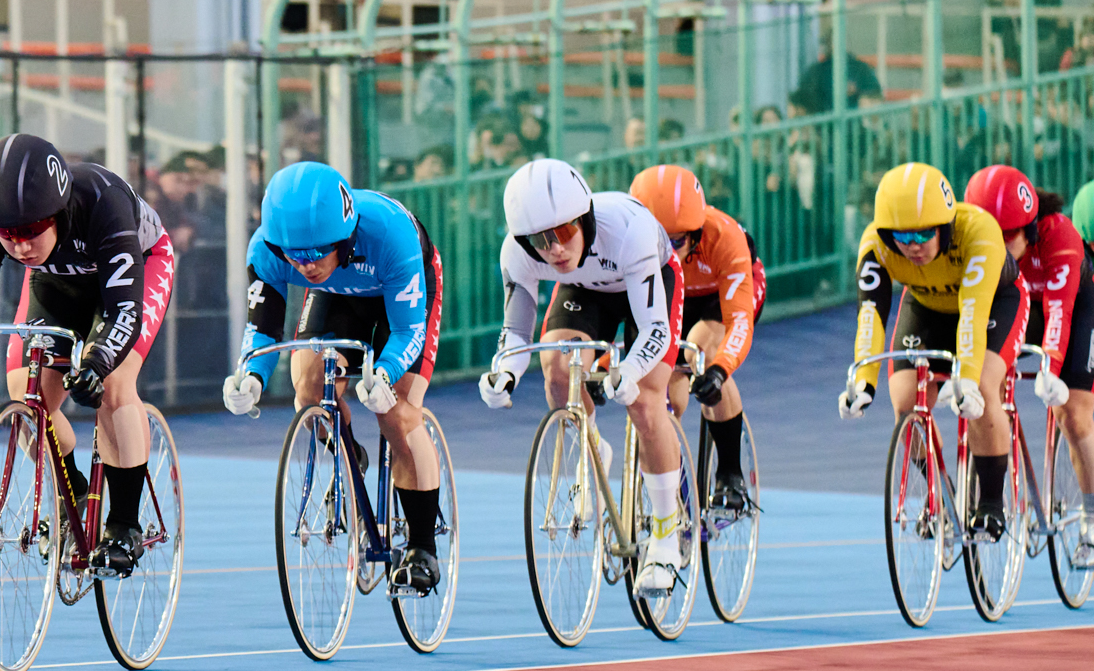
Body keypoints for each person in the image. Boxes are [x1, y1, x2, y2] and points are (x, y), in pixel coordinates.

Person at [0, 134, 176, 574]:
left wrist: (95, 364)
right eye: (8, 236)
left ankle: (123, 524)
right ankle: (74, 491)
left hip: (136, 270)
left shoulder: (103, 201)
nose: (19, 246)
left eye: (31, 231)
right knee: (26, 395)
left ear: (57, 211)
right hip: (54, 282)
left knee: (115, 384)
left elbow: (123, 310)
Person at [222, 162, 447, 592]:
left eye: (314, 253)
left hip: (400, 295)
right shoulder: (271, 250)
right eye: (294, 255)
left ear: (344, 237)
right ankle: (347, 450)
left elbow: (408, 331)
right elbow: (264, 329)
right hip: (338, 297)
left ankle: (421, 547)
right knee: (307, 388)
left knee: (398, 413)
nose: (304, 266)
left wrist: (385, 371)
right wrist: (251, 375)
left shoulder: (388, 234)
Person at [480, 158, 685, 601]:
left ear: (586, 217)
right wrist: (505, 373)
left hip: (646, 284)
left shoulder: (628, 228)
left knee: (646, 400)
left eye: (566, 232)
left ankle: (667, 534)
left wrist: (627, 371)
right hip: (586, 290)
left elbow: (655, 330)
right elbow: (516, 332)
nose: (554, 249)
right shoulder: (518, 253)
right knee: (556, 365)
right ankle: (594, 443)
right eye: (541, 240)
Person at [839, 163, 1022, 540]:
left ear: (945, 226)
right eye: (901, 236)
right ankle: (942, 493)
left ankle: (990, 502)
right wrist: (863, 381)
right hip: (925, 306)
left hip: (992, 304)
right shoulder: (875, 245)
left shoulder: (979, 233)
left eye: (924, 233)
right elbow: (870, 316)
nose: (913, 245)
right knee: (905, 400)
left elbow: (972, 315)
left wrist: (967, 380)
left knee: (984, 391)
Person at [970, 168, 1094, 553]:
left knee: (1072, 414)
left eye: (1009, 236)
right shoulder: (983, 242)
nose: (1001, 246)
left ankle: (1092, 515)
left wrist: (1051, 370)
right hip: (1020, 306)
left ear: (1030, 229)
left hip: (1072, 307)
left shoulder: (1060, 237)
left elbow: (1061, 311)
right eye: (994, 235)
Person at [628, 165, 763, 511]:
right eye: (657, 239)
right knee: (664, 389)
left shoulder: (725, 237)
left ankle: (730, 473)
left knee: (702, 351)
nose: (668, 251)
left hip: (719, 296)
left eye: (676, 242)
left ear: (698, 233)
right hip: (672, 294)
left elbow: (739, 322)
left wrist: (719, 369)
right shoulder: (629, 242)